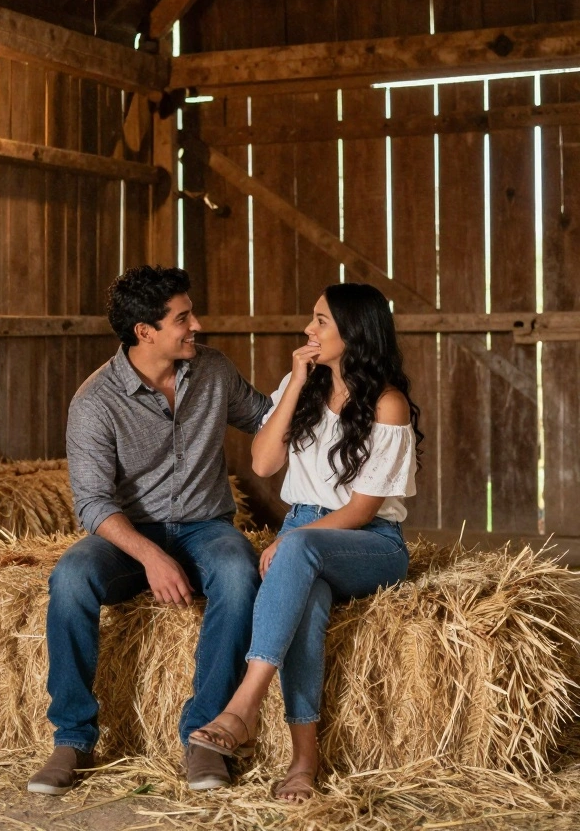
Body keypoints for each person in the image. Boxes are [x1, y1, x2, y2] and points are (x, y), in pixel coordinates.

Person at [27, 265, 271, 795]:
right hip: (129, 536)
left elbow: (265, 419)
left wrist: (315, 383)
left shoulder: (213, 371)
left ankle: (205, 737)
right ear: (146, 332)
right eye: (183, 318)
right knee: (70, 578)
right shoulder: (95, 401)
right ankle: (72, 738)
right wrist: (151, 558)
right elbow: (92, 503)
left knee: (237, 573)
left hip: (207, 526)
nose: (196, 325)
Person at [189, 282, 422, 802]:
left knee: (295, 549)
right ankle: (303, 762)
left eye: (321, 321)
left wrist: (296, 541)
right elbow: (263, 463)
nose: (308, 329)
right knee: (308, 606)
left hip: (370, 543)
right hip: (305, 538)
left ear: (354, 332)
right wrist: (295, 383)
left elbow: (362, 510)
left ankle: (244, 704)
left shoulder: (387, 404)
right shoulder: (306, 388)